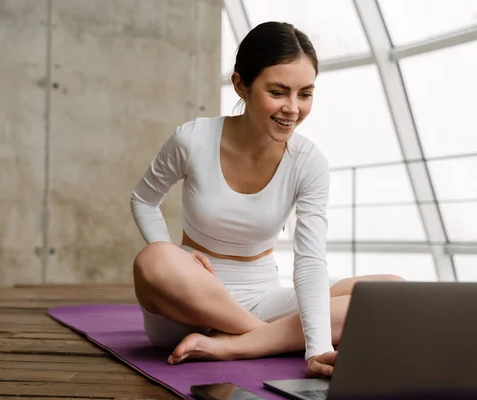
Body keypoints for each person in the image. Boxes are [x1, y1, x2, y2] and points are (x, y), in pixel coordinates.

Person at [130, 21, 403, 377]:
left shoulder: (309, 162)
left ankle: (235, 344)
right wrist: (169, 250)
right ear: (241, 85)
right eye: (278, 92)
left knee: (393, 292)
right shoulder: (192, 140)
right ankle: (263, 338)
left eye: (304, 94)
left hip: (264, 298)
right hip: (186, 304)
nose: (292, 108)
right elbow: (143, 199)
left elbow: (309, 260)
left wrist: (318, 347)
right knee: (154, 260)